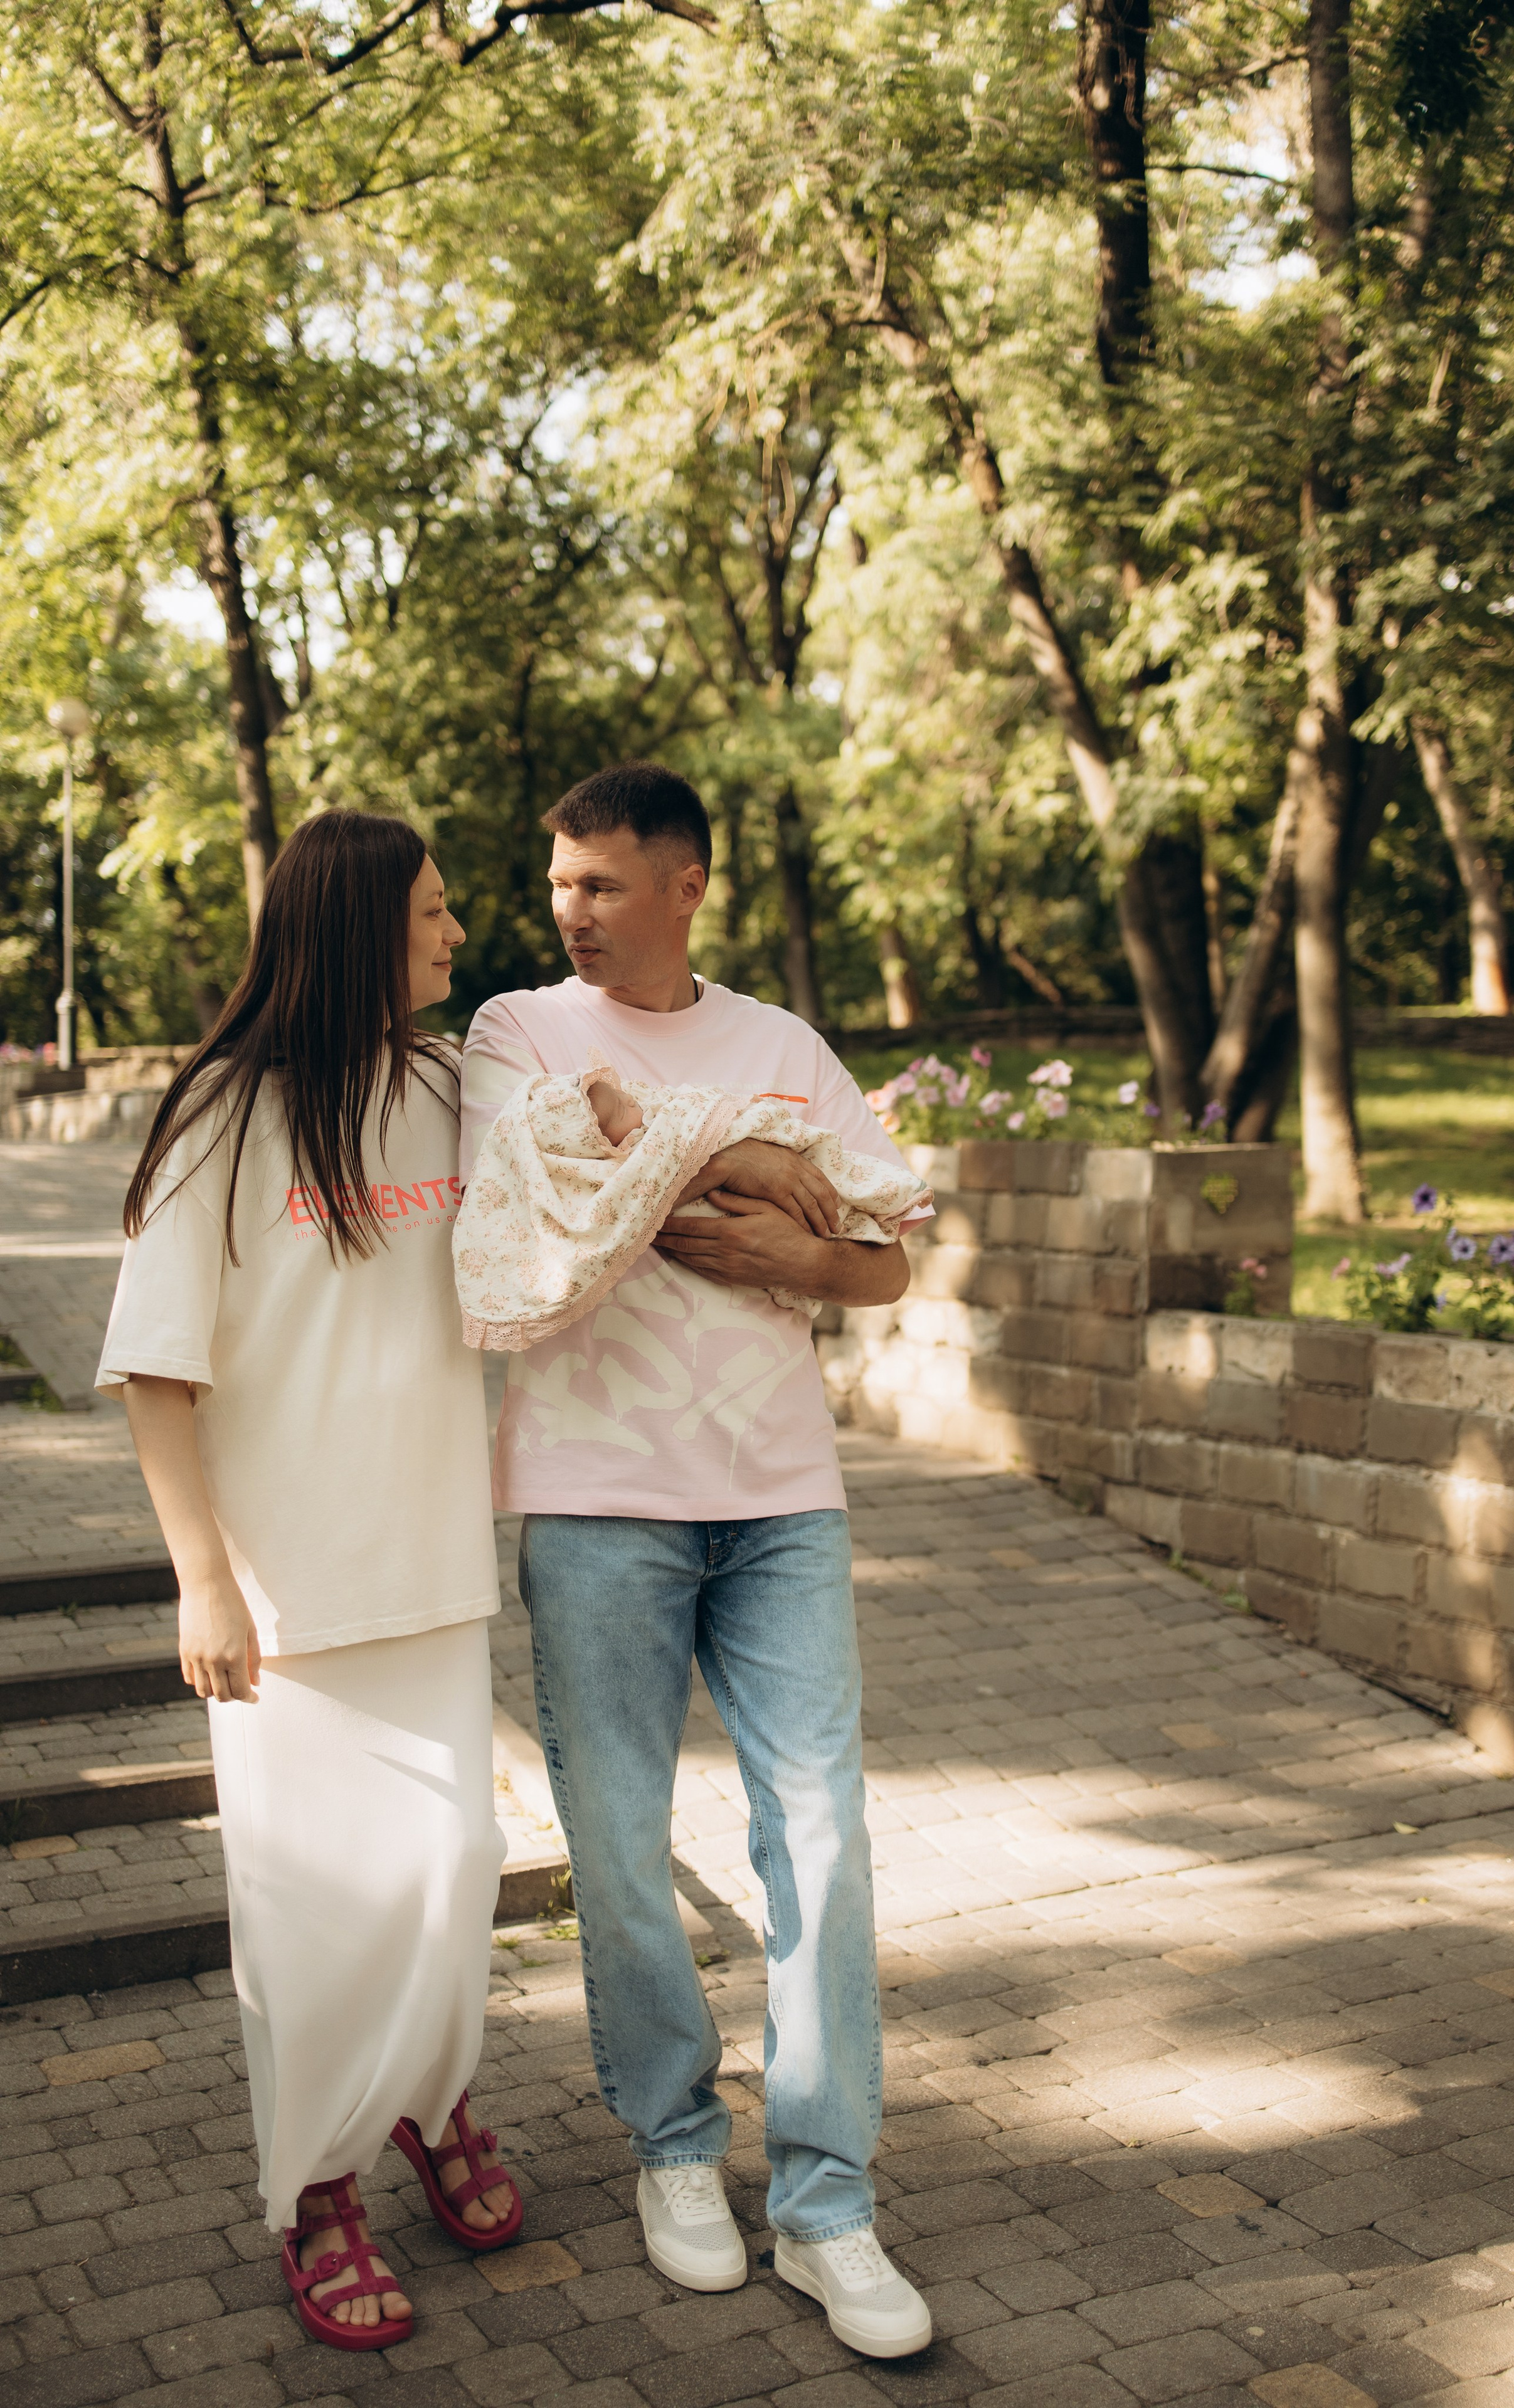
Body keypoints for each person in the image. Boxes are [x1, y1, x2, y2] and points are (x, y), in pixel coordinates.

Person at [460, 761, 935, 2359]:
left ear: (685, 886)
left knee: (824, 1837)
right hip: (596, 1496)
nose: (569, 913)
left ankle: (825, 2203)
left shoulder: (784, 1043)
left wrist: (799, 1241)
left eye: (600, 884)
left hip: (782, 1498)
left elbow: (882, 1252)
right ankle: (672, 2144)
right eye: (558, 885)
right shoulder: (518, 1029)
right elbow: (568, 1183)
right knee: (616, 1843)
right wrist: (758, 1158)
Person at [97, 811, 522, 2355]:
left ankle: (430, 2097)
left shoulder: (445, 1089)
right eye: (431, 911)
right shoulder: (221, 1119)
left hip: (434, 1566)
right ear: (357, 928)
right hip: (287, 1603)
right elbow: (157, 1372)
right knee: (307, 1914)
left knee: (452, 1868)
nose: (455, 934)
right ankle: (317, 2186)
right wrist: (202, 1582)